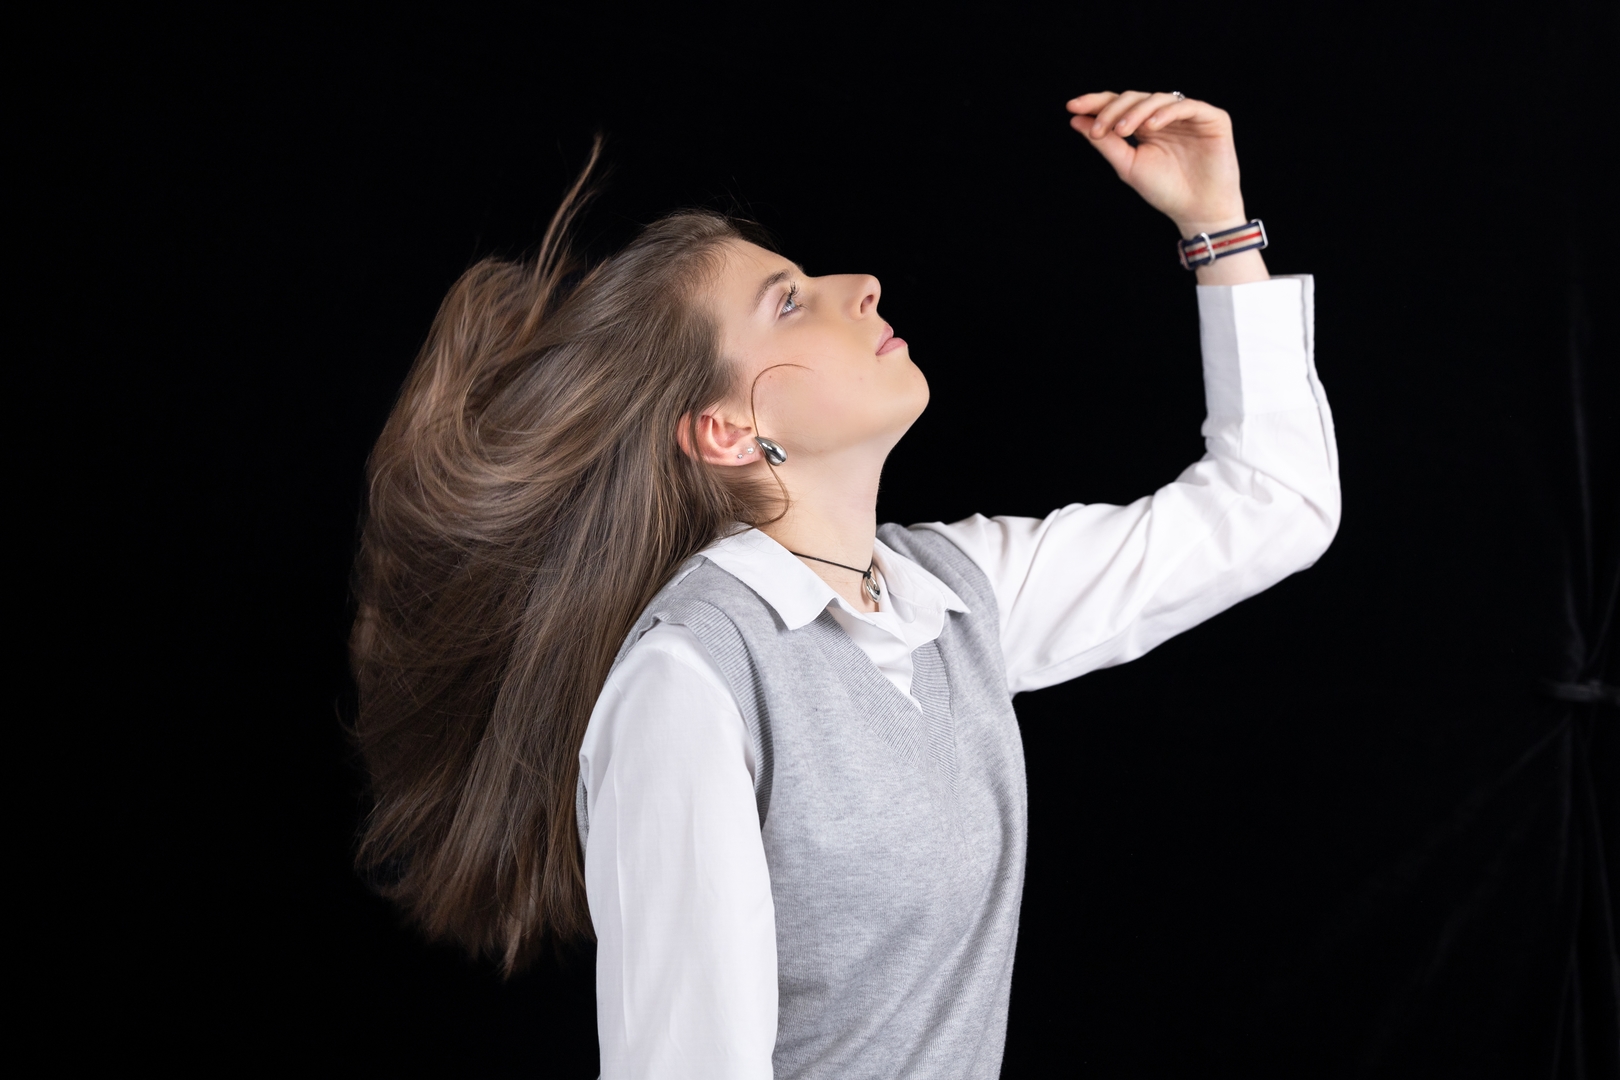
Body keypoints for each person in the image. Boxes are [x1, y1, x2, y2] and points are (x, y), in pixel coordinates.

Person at [350, 89, 1341, 1079]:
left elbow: (1274, 505)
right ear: (728, 432)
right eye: (788, 302)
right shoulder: (689, 682)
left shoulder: (946, 597)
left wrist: (1215, 223)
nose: (861, 285)